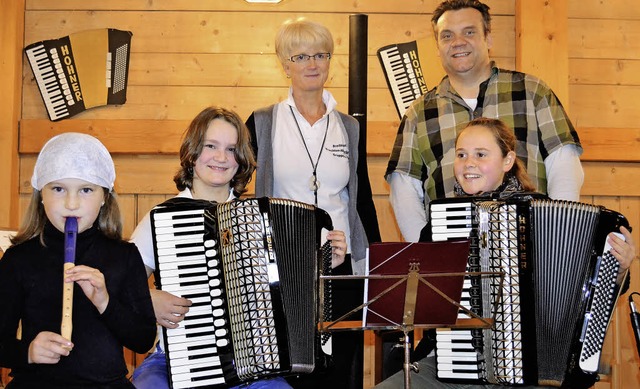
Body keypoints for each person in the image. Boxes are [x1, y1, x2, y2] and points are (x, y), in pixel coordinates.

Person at [374, 118, 637, 388]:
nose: (469, 163)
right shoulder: (443, 223)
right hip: (458, 364)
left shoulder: (540, 211)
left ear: (508, 160)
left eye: (481, 154)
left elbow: (591, 286)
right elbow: (421, 300)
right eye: (462, 155)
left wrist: (619, 269)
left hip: (534, 372)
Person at [130, 106, 345, 388]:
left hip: (250, 367)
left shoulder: (264, 219)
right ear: (192, 152)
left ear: (241, 160)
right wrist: (148, 298)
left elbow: (289, 294)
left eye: (232, 149)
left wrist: (324, 264)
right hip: (173, 362)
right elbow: (120, 281)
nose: (221, 157)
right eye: (211, 146)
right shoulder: (164, 218)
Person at [245, 17, 381, 389]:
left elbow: (362, 200)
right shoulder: (262, 122)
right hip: (284, 266)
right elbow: (237, 192)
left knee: (342, 371)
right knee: (292, 368)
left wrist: (374, 270)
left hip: (341, 265)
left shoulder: (349, 127)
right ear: (284, 63)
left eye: (320, 54)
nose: (311, 64)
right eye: (300, 56)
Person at [386, 0, 585, 243]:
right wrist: (427, 253)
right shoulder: (418, 113)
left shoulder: (533, 92)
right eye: (447, 36)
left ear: (488, 38)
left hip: (531, 244)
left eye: (469, 32)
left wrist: (556, 235)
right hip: (452, 253)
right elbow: (403, 189)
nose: (458, 42)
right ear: (437, 47)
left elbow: (564, 166)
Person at [0, 132, 157, 388]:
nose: (71, 204)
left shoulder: (123, 256)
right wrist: (27, 352)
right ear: (41, 195)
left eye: (86, 190)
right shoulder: (19, 260)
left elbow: (143, 338)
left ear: (105, 196)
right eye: (58, 188)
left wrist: (105, 302)